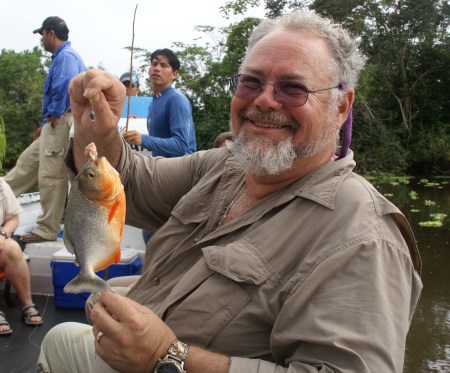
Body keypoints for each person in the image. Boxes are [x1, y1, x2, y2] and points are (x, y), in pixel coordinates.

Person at [37, 10, 422, 373]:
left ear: (341, 106)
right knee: (59, 338)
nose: (264, 100)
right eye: (251, 82)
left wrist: (168, 357)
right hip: (125, 345)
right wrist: (95, 126)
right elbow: (129, 185)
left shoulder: (364, 237)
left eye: (293, 88)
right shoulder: (226, 165)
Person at [3, 16, 86, 244]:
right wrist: (44, 125)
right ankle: (2, 205)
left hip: (61, 118)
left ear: (50, 33)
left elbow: (64, 85)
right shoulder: (61, 57)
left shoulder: (67, 57)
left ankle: (45, 229)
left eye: (42, 35)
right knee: (26, 164)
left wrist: (55, 117)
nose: (41, 40)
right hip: (52, 122)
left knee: (50, 176)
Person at [123, 48, 196, 158]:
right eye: (154, 64)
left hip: (179, 169)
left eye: (163, 65)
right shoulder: (154, 102)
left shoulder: (177, 99)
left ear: (174, 74)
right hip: (159, 167)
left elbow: (181, 145)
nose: (157, 68)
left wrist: (143, 139)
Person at [0, 178, 43, 335]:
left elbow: (12, 218)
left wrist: (3, 234)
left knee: (12, 247)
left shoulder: (1, 185)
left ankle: (27, 305)